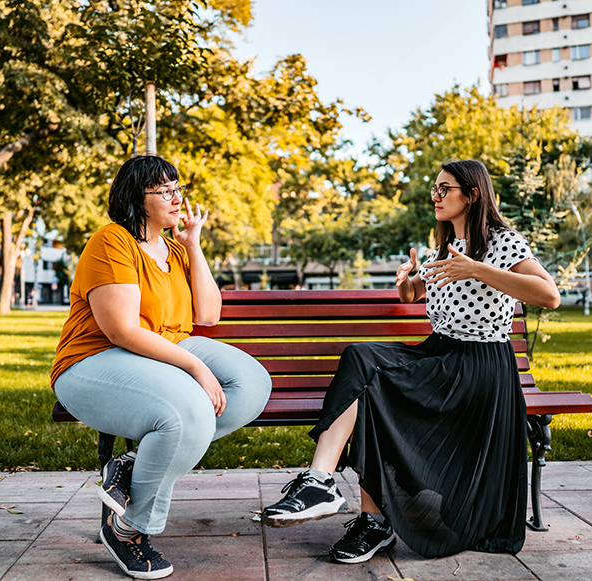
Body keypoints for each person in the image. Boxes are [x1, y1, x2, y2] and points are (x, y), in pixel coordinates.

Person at [261, 159, 560, 563]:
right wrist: (406, 282)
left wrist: (479, 269)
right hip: (439, 353)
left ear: (472, 195)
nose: (435, 197)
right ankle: (334, 493)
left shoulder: (502, 242)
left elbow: (549, 295)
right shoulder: (443, 246)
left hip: (479, 367)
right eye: (434, 189)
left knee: (371, 377)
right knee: (363, 364)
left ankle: (364, 517)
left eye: (444, 189)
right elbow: (414, 295)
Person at [50, 155, 272, 579]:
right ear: (138, 198)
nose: (177, 197)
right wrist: (195, 367)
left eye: (177, 188)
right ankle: (130, 529)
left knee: (251, 383)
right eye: (165, 190)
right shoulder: (112, 241)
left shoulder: (173, 248)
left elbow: (208, 314)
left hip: (164, 352)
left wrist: (193, 242)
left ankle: (131, 465)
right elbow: (121, 331)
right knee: (187, 412)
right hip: (93, 361)